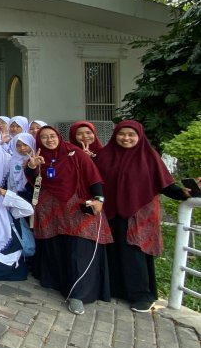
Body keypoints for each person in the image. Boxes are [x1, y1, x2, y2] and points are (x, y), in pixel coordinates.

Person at [95, 120, 192, 312]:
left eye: (131, 135)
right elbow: (92, 178)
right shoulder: (105, 155)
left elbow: (164, 184)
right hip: (110, 213)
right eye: (122, 134)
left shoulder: (148, 157)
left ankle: (141, 294)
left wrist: (182, 193)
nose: (126, 138)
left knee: (135, 252)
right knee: (112, 250)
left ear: (139, 137)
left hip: (137, 214)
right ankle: (116, 288)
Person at [26, 126, 109, 315]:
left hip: (76, 207)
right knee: (58, 248)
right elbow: (33, 180)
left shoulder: (75, 153)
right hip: (52, 210)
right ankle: (58, 283)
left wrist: (99, 199)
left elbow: (93, 177)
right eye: (44, 137)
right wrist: (32, 167)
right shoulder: (38, 158)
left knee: (79, 250)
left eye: (52, 136)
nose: (49, 140)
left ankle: (78, 294)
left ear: (59, 136)